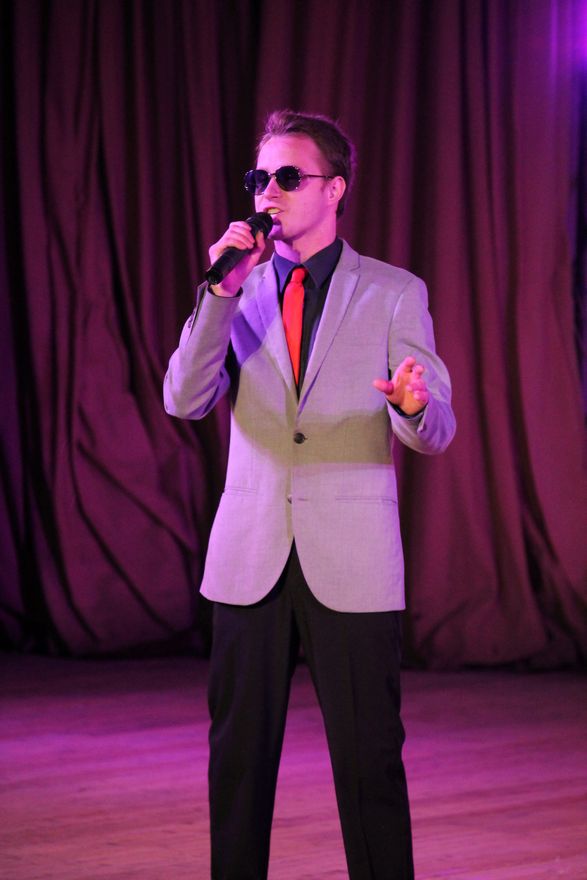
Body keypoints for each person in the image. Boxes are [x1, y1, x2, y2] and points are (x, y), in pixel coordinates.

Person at [164, 109, 456, 880]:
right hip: (249, 556)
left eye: (288, 177)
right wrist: (219, 290)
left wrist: (412, 405)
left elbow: (435, 429)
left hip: (351, 561)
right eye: (259, 178)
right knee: (237, 765)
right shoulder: (236, 289)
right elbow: (183, 399)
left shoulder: (392, 292)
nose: (269, 192)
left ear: (335, 189)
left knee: (368, 765)